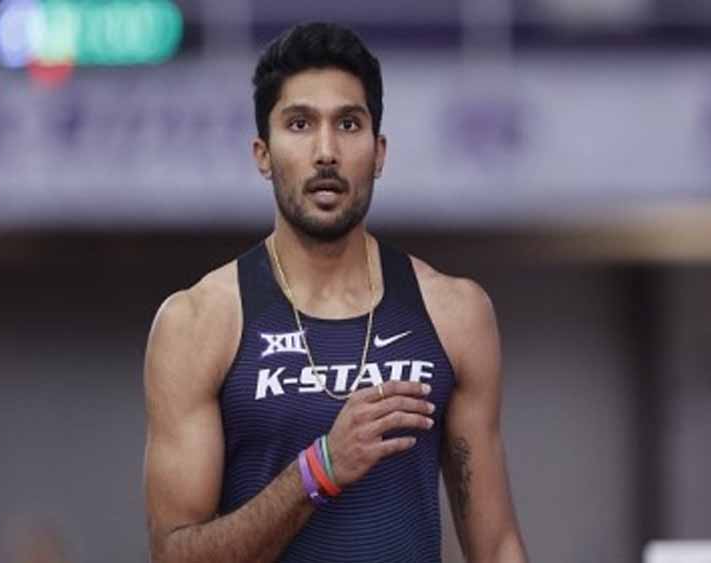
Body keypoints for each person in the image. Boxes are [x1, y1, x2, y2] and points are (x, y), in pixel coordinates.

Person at [143, 22, 528, 563]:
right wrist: (319, 470)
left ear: (379, 152)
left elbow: (497, 546)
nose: (326, 151)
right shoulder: (198, 322)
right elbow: (174, 554)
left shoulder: (455, 313)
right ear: (262, 153)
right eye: (299, 124)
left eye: (348, 124)